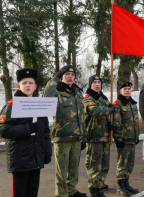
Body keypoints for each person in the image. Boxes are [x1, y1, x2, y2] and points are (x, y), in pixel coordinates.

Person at [0, 68, 52, 197]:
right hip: (20, 158)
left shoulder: (40, 105)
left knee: (33, 192)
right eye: (24, 83)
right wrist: (28, 128)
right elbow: (3, 129)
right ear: (18, 86)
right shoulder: (12, 105)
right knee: (20, 194)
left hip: (36, 157)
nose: (28, 85)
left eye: (30, 83)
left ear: (35, 86)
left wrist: (47, 153)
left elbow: (45, 131)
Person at [43, 65, 87, 197]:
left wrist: (83, 135)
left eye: (72, 75)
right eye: (67, 74)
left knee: (73, 169)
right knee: (61, 170)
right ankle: (62, 194)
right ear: (61, 76)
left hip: (77, 137)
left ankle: (71, 191)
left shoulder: (77, 92)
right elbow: (46, 96)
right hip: (62, 137)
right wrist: (55, 78)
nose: (70, 77)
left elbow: (82, 116)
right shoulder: (56, 92)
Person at [84, 75, 116, 197]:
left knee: (104, 164)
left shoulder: (103, 98)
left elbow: (109, 111)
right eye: (94, 82)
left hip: (105, 136)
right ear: (90, 84)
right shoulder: (88, 98)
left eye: (99, 82)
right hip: (94, 136)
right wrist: (110, 110)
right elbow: (96, 111)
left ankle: (100, 183)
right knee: (94, 164)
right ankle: (94, 188)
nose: (97, 84)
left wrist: (111, 123)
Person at [112, 82, 140, 196]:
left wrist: (137, 135)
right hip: (123, 139)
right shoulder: (118, 104)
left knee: (130, 164)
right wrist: (118, 139)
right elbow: (116, 123)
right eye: (125, 89)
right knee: (122, 164)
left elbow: (136, 122)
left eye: (129, 89)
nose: (127, 91)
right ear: (120, 91)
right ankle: (121, 186)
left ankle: (126, 183)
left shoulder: (132, 104)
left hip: (132, 138)